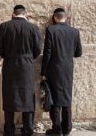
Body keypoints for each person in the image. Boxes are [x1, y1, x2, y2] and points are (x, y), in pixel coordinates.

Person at [0, 5, 42, 136]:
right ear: (25, 14)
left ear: (13, 13)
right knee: (28, 97)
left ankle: (9, 130)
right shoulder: (33, 28)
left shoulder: (4, 26)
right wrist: (28, 57)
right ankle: (28, 129)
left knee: (9, 95)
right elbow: (38, 48)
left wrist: (8, 56)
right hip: (26, 66)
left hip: (10, 65)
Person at [41, 8, 82, 136]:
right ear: (66, 17)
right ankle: (67, 128)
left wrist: (43, 71)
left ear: (54, 17)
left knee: (55, 99)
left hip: (54, 69)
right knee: (66, 98)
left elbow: (47, 52)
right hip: (68, 70)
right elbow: (78, 53)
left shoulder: (51, 30)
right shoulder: (75, 32)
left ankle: (57, 129)